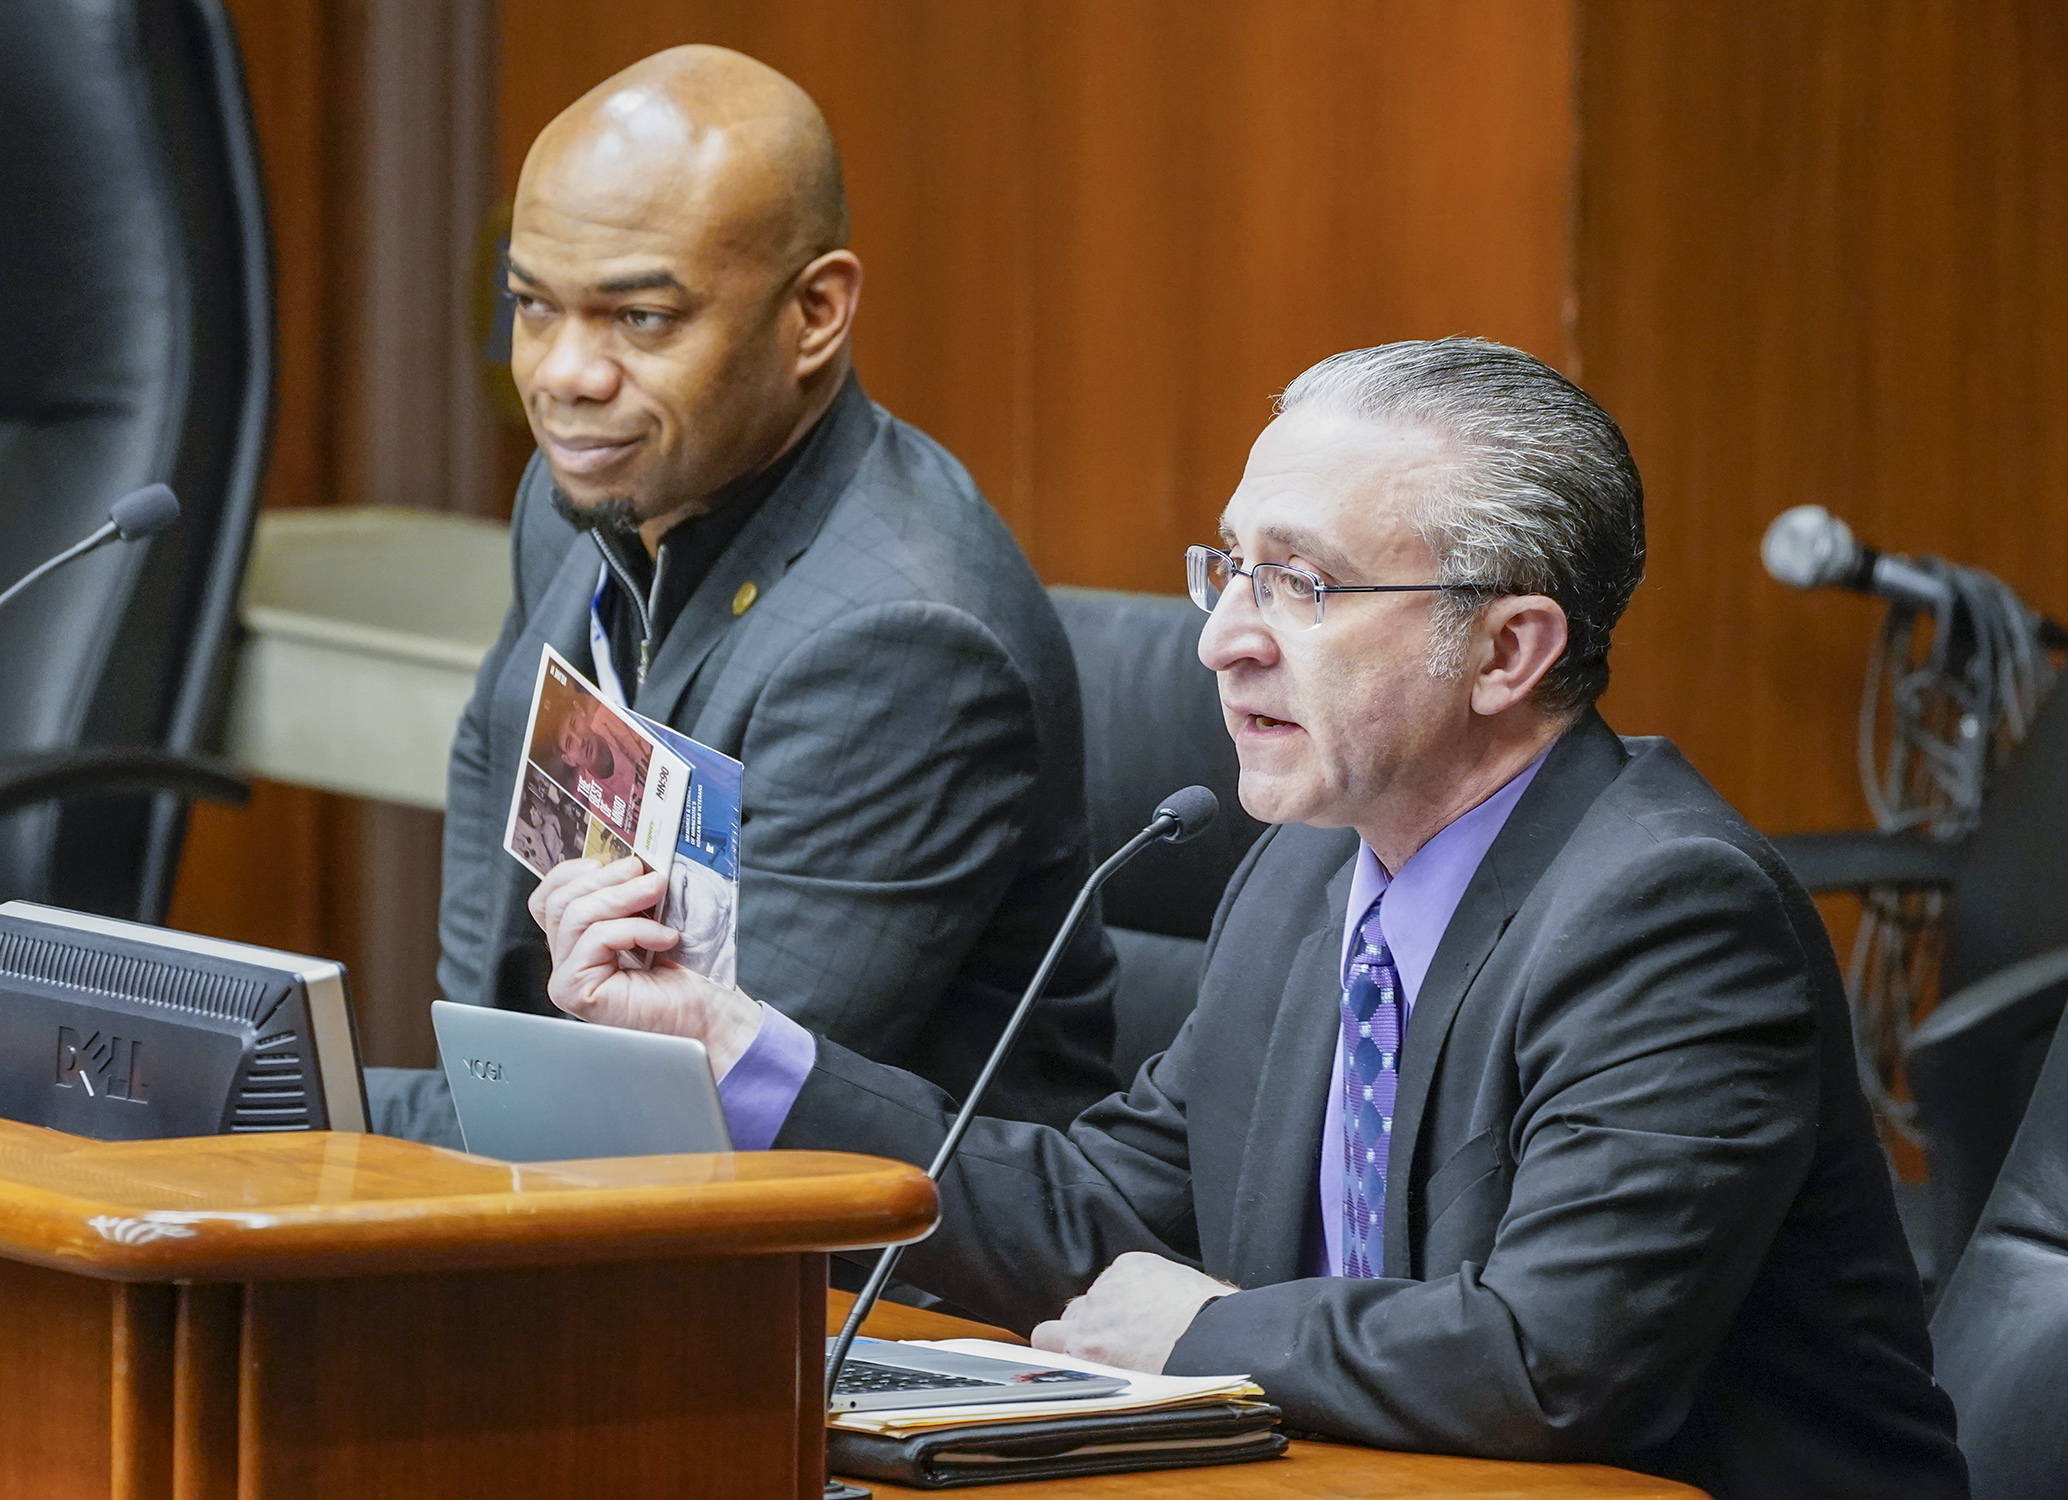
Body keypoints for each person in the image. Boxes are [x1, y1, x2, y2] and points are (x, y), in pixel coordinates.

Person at [530, 339, 1969, 1497]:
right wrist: (733, 1046)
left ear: (1510, 649)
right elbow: (1101, 1214)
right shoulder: (1303, 872)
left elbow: (1556, 1360)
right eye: (1229, 568)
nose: (1226, 636)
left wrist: (1203, 1332)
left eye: (1306, 583)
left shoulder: (1668, 912)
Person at [379, 44, 1117, 1142]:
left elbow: (693, 1115)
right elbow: (499, 850)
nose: (563, 376)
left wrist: (339, 1128)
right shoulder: (585, 494)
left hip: (857, 1278)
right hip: (581, 1185)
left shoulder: (904, 641)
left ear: (815, 313)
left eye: (639, 319)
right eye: (534, 306)